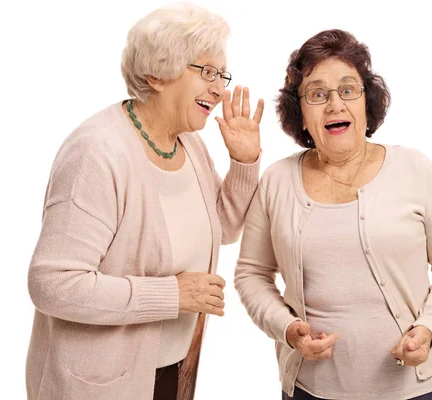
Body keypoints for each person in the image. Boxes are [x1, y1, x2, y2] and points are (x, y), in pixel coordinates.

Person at [26, 3, 264, 400]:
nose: (219, 89)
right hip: (97, 386)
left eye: (222, 75)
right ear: (156, 74)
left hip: (170, 370)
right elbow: (52, 284)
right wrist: (171, 295)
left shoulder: (188, 143)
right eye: (206, 72)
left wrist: (243, 162)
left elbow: (221, 230)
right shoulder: (97, 154)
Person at [234, 29, 432, 400]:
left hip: (415, 390)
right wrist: (289, 329)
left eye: (348, 89)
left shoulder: (415, 168)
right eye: (317, 94)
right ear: (300, 115)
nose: (334, 104)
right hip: (309, 390)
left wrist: (428, 328)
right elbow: (251, 274)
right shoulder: (277, 181)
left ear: (367, 103)